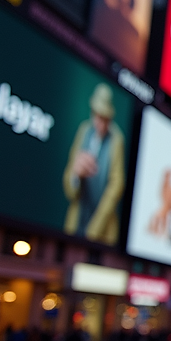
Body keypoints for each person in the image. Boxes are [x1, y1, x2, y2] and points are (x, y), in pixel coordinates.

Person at [63, 84, 126, 245]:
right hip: (78, 220)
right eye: (98, 116)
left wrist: (95, 229)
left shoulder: (116, 140)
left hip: (102, 229)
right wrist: (76, 175)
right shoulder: (84, 131)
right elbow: (69, 179)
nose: (101, 123)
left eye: (105, 118)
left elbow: (117, 183)